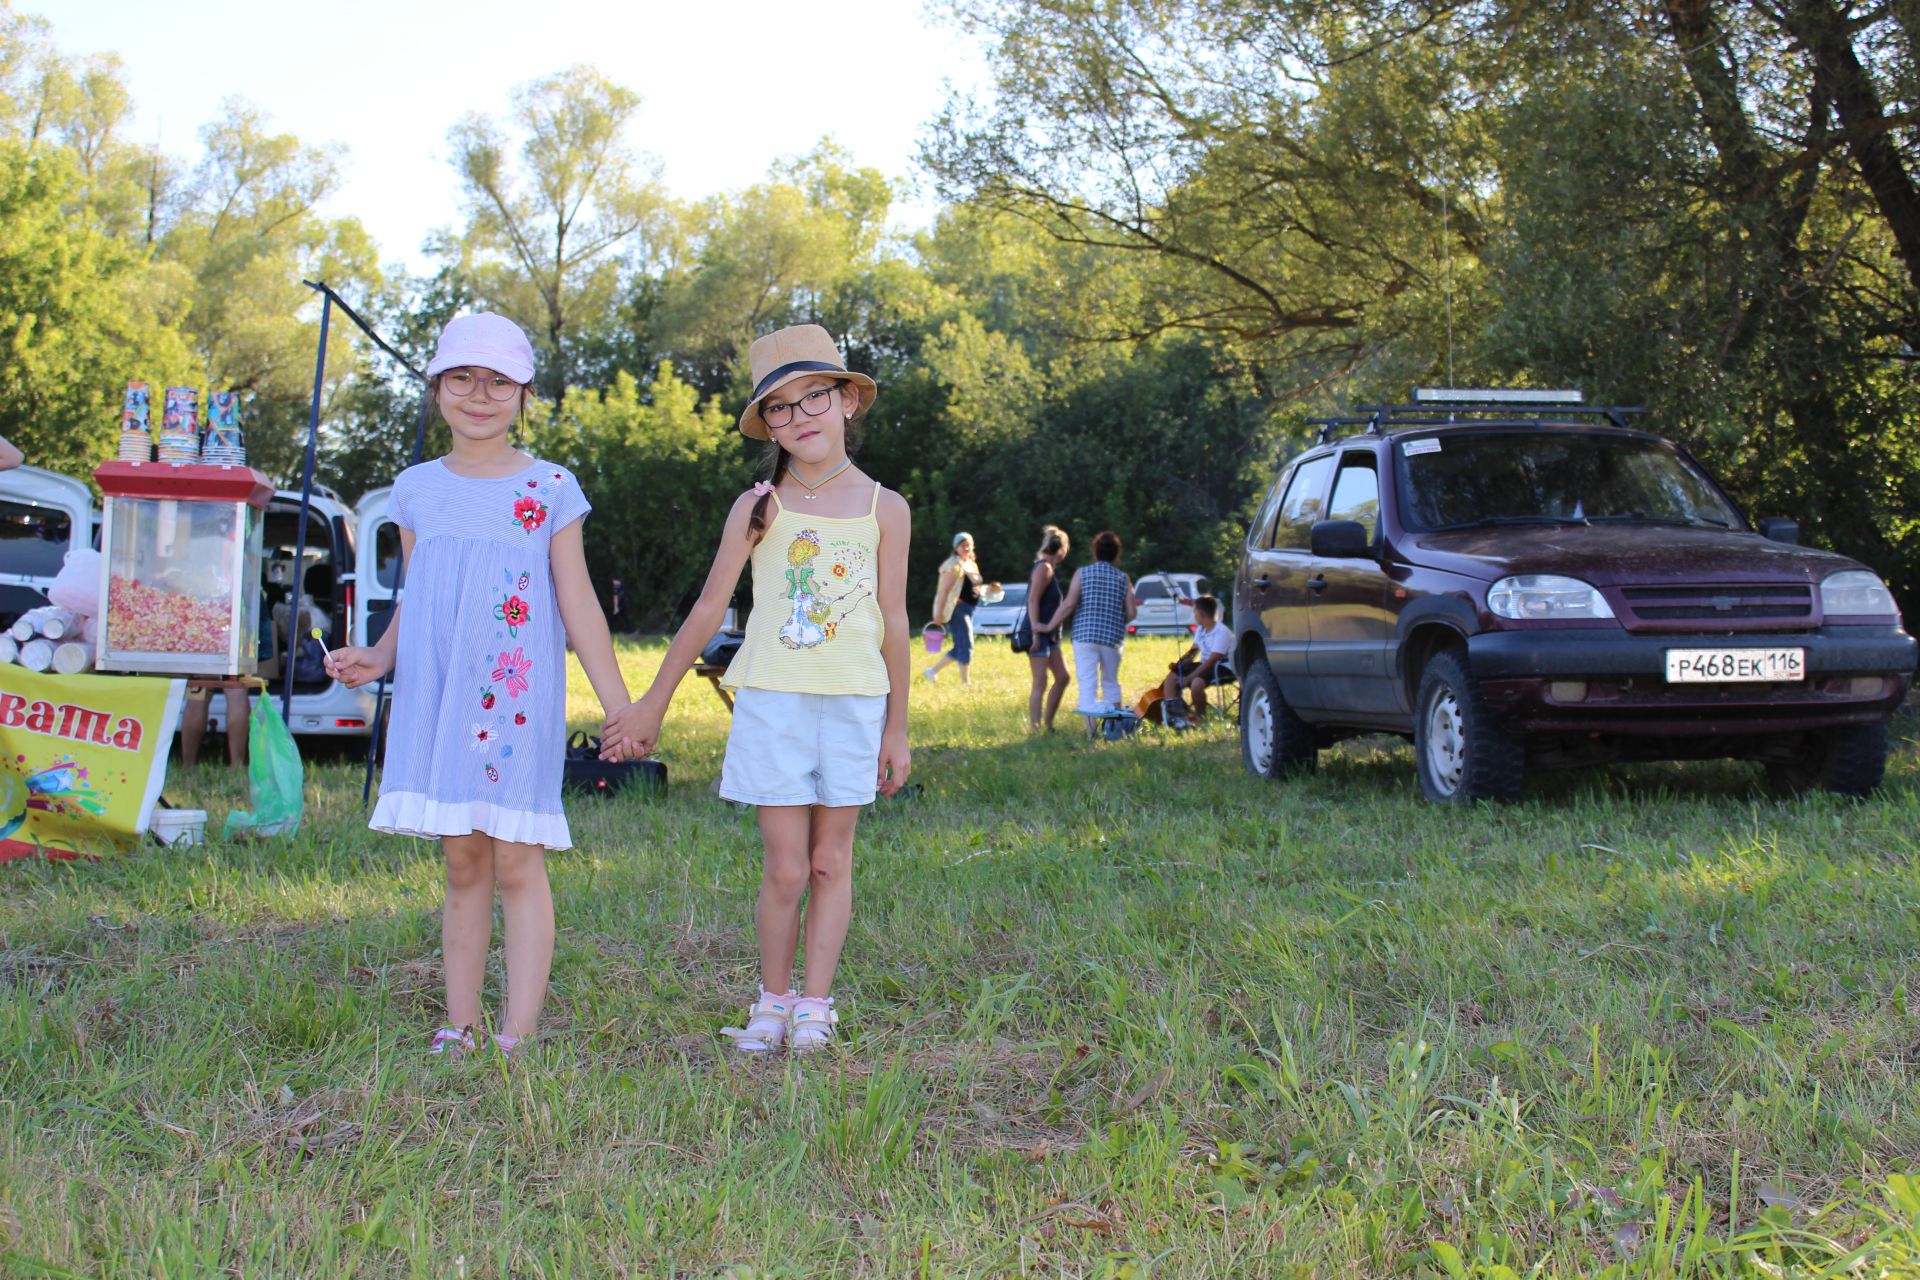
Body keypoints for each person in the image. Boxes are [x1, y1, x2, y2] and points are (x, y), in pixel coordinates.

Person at [323, 313, 632, 1058]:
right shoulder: (415, 489)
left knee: (516, 858)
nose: (480, 394)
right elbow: (419, 591)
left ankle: (515, 1035)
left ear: (524, 395)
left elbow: (578, 601)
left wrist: (620, 702)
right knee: (462, 859)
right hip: (438, 694)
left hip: (514, 699)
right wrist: (380, 656)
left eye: (499, 381)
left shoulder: (550, 487)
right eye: (462, 378)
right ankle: (456, 1026)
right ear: (437, 391)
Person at [602, 323, 910, 1055]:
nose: (800, 418)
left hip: (855, 702)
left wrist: (898, 727)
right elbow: (708, 609)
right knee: (785, 865)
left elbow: (893, 621)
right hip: (773, 700)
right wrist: (653, 701)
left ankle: (815, 1004)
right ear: (765, 423)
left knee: (832, 861)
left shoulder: (884, 507)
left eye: (814, 399)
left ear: (846, 402)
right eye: (780, 407)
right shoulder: (757, 506)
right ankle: (771, 1000)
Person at [1040, 529, 1136, 735]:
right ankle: (1114, 730)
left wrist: (1049, 626)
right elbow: (1131, 612)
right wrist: (1118, 617)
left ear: (1095, 551)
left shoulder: (1082, 573)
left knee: (1087, 684)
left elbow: (1069, 604)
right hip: (1112, 638)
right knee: (1110, 681)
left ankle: (1091, 731)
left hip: (1085, 636)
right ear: (1116, 553)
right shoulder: (1123, 578)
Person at [925, 531, 991, 685]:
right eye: (963, 546)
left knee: (961, 645)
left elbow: (974, 587)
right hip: (957, 610)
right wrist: (938, 615)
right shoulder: (954, 565)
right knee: (966, 644)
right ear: (956, 548)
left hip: (969, 609)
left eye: (968, 545)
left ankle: (932, 671)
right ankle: (965, 682)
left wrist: (988, 592)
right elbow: (944, 591)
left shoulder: (971, 564)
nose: (966, 548)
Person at [1024, 525, 1071, 732]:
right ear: (1061, 549)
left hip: (1050, 635)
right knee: (1040, 682)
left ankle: (1048, 723)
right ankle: (1035, 729)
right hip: (1039, 634)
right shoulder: (1043, 568)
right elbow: (1033, 600)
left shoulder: (1047, 569)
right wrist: (1035, 632)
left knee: (1062, 677)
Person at [1160, 594, 1232, 722]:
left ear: (1201, 614)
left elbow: (1212, 661)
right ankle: (1177, 716)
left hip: (1221, 667)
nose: (1194, 615)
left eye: (1194, 612)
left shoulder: (1222, 631)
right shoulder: (1201, 629)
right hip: (1206, 665)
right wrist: (1179, 664)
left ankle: (1200, 717)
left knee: (1196, 683)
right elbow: (1193, 651)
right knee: (1171, 678)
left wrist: (1189, 678)